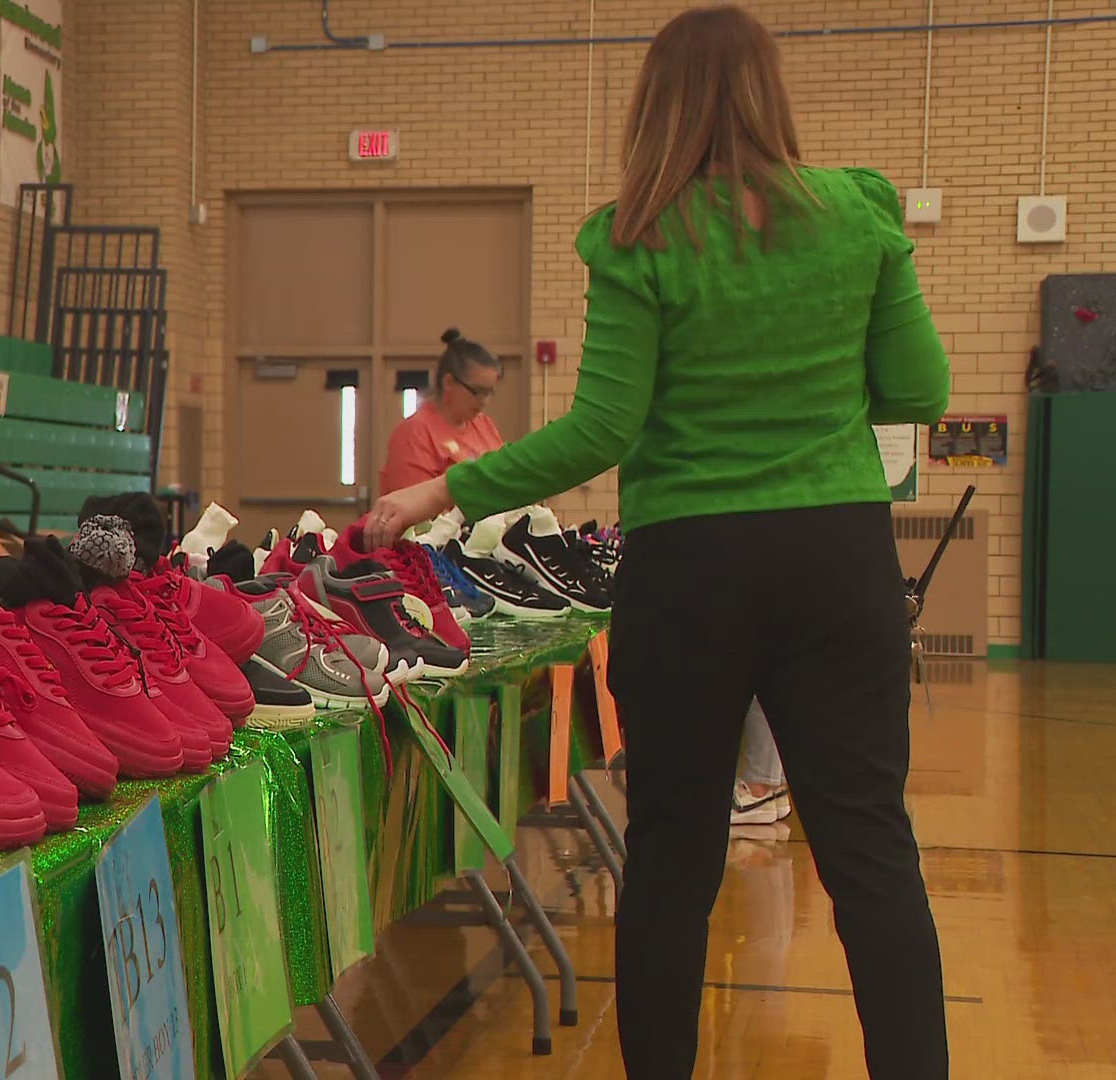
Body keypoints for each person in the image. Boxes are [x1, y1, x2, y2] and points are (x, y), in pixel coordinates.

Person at [366, 6, 950, 1077]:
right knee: (870, 847)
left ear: (655, 105)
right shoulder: (860, 217)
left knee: (676, 854)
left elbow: (604, 431)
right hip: (837, 560)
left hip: (692, 576)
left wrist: (443, 490)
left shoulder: (641, 235)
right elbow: (920, 389)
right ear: (774, 91)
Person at [377, 328, 504, 496]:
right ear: (449, 382)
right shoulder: (416, 433)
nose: (484, 401)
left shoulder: (484, 425)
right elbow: (414, 509)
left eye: (488, 393)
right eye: (477, 391)